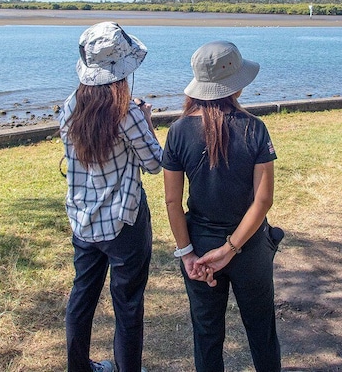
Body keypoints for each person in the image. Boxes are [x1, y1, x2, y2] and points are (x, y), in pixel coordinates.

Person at [162, 41, 282, 372]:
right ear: (235, 84)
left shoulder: (177, 131)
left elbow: (172, 201)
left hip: (199, 245)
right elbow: (263, 199)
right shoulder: (254, 128)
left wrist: (186, 253)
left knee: (207, 335)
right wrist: (232, 248)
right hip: (251, 246)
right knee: (262, 332)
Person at [58, 22, 162, 372]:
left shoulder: (71, 106)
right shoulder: (127, 112)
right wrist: (147, 121)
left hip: (82, 220)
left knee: (81, 299)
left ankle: (79, 367)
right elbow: (154, 163)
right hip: (124, 222)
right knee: (128, 305)